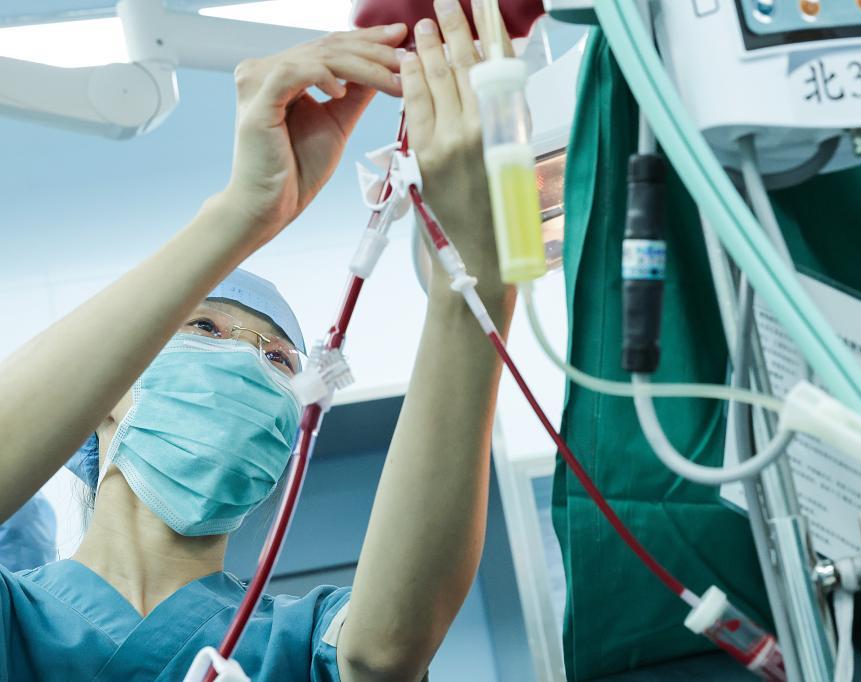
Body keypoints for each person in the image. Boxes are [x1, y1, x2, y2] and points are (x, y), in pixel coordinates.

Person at [0, 2, 513, 679]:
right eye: (204, 328)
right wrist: (243, 210)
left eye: (277, 360)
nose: (245, 361)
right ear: (106, 393)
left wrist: (472, 283)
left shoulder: (300, 642)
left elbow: (383, 651)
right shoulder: (17, 619)